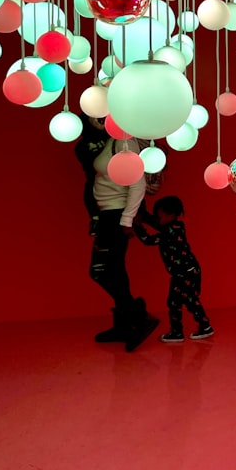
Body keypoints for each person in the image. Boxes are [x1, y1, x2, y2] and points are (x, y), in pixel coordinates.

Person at [74, 115, 159, 352]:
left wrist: (126, 220)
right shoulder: (110, 141)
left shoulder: (124, 142)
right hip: (107, 214)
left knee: (101, 271)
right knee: (114, 268)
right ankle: (124, 323)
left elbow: (137, 183)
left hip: (116, 215)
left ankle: (138, 317)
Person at [135, 196, 214, 342]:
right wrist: (145, 216)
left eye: (159, 215)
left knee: (186, 300)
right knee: (177, 301)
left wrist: (137, 225)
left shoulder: (169, 233)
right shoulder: (176, 226)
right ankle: (179, 331)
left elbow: (148, 240)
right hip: (185, 271)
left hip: (186, 273)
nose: (157, 218)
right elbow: (158, 224)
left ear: (170, 215)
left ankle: (202, 326)